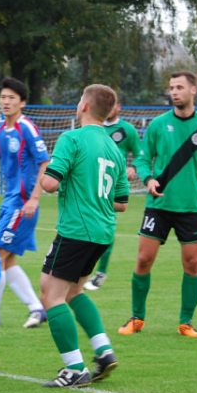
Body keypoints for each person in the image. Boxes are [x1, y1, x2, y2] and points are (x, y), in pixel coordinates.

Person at [119, 71, 197, 338]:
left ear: (193, 90)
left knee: (192, 263)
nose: (174, 92)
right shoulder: (157, 125)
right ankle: (137, 318)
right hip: (158, 205)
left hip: (190, 207)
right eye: (171, 88)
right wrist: (149, 178)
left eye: (179, 87)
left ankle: (186, 322)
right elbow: (142, 160)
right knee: (143, 259)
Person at [38, 84, 128, 388]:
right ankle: (103, 350)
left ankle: (75, 369)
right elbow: (121, 203)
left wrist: (43, 174)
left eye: (79, 100)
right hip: (103, 233)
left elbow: (50, 184)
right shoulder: (114, 149)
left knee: (50, 295)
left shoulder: (72, 139)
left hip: (77, 229)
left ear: (85, 107)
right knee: (74, 291)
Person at [0, 77, 50, 329]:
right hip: (9, 203)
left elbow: (45, 164)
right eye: (3, 97)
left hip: (23, 203)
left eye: (11, 98)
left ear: (22, 103)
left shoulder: (27, 128)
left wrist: (35, 198)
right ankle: (36, 308)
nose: (5, 102)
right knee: (8, 260)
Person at [84, 101, 139, 291]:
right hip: (90, 183)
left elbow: (140, 154)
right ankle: (83, 270)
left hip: (112, 185)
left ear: (119, 107)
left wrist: (133, 166)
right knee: (85, 225)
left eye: (112, 104)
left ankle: (101, 272)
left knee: (106, 225)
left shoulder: (127, 130)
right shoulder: (93, 129)